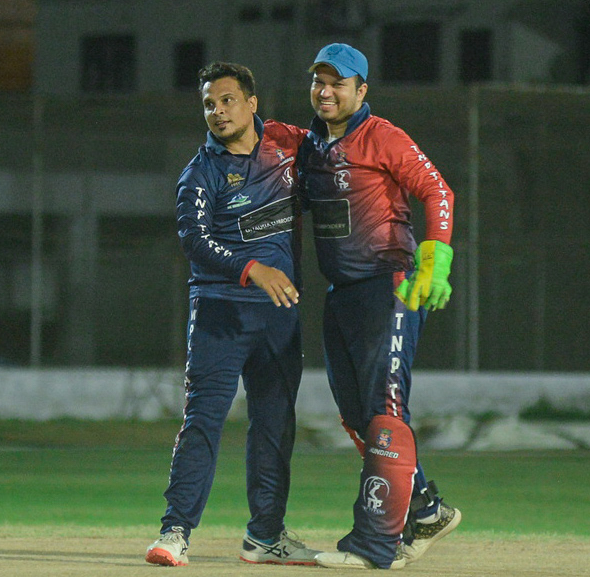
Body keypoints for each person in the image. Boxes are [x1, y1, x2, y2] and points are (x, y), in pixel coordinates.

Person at [145, 62, 320, 567]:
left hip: (279, 317)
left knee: (274, 425)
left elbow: (339, 166)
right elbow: (194, 241)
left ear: (251, 103)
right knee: (203, 421)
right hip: (220, 315)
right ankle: (175, 532)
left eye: (227, 100)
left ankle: (265, 536)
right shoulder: (200, 173)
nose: (218, 111)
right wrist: (252, 269)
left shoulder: (289, 146)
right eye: (208, 104)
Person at [299, 43, 461, 570]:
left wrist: (435, 261)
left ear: (361, 90)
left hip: (388, 286)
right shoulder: (311, 147)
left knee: (385, 412)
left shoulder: (382, 136)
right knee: (357, 416)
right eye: (319, 81)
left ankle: (375, 545)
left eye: (338, 83)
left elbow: (438, 192)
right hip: (342, 294)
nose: (326, 91)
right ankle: (425, 510)